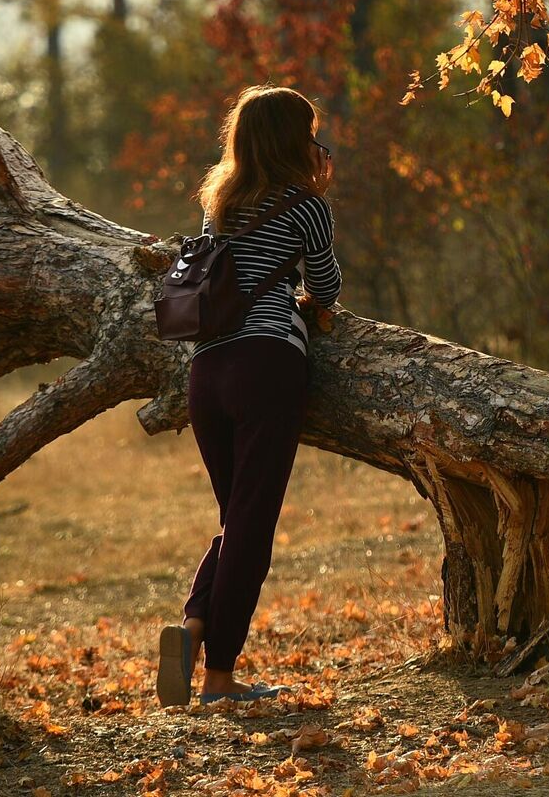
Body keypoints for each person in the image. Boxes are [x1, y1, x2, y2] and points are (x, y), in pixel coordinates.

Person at [158, 85, 341, 707]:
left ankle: (192, 628)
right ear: (295, 139)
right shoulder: (307, 207)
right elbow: (326, 284)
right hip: (267, 366)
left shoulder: (220, 204)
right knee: (251, 527)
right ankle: (219, 679)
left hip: (205, 374)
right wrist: (315, 304)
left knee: (236, 518)